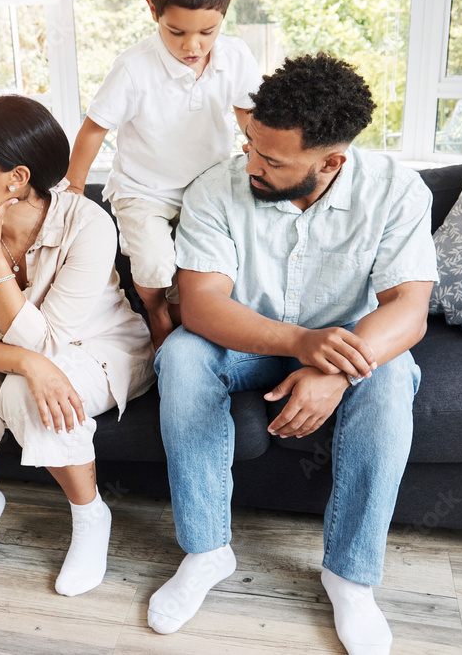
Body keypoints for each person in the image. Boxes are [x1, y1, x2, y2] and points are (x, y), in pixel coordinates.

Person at [146, 53, 437, 655]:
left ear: (332, 161)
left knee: (391, 375)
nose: (250, 162)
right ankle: (206, 552)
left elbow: (407, 310)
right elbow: (200, 306)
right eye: (249, 144)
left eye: (271, 160)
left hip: (349, 347)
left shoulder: (396, 190)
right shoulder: (216, 189)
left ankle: (349, 579)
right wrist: (304, 345)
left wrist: (330, 368)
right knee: (180, 353)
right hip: (245, 343)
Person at [0, 95, 156, 596]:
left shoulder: (88, 223)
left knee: (26, 393)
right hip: (16, 350)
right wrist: (28, 362)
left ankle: (91, 515)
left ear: (16, 179)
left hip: (100, 348)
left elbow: (52, 342)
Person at [64, 0, 262, 350]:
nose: (193, 46)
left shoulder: (236, 56)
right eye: (177, 31)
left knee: (201, 277)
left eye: (208, 31)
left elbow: (245, 109)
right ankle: (153, 312)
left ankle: (179, 316)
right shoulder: (134, 68)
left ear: (225, 12)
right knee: (155, 266)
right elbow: (94, 129)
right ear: (153, 9)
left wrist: (255, 140)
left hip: (207, 189)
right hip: (145, 189)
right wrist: (75, 191)